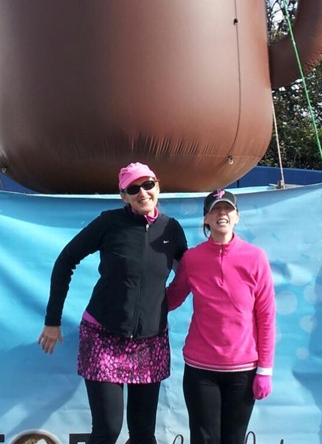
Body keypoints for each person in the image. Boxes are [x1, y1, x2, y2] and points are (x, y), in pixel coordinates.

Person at [39, 162, 188, 444]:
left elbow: (190, 274)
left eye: (147, 185)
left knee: (143, 435)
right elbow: (65, 260)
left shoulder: (172, 229)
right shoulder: (109, 223)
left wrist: (165, 304)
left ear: (158, 186)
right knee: (107, 430)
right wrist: (52, 320)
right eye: (133, 189)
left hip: (150, 342)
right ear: (123, 196)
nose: (142, 193)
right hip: (103, 336)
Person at [166, 188, 276, 444]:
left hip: (243, 371)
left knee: (233, 440)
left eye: (227, 209)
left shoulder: (256, 258)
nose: (221, 214)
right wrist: (139, 300)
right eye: (215, 209)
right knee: (204, 439)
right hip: (200, 371)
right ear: (206, 219)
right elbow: (173, 297)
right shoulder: (192, 258)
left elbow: (267, 317)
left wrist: (265, 371)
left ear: (237, 216)